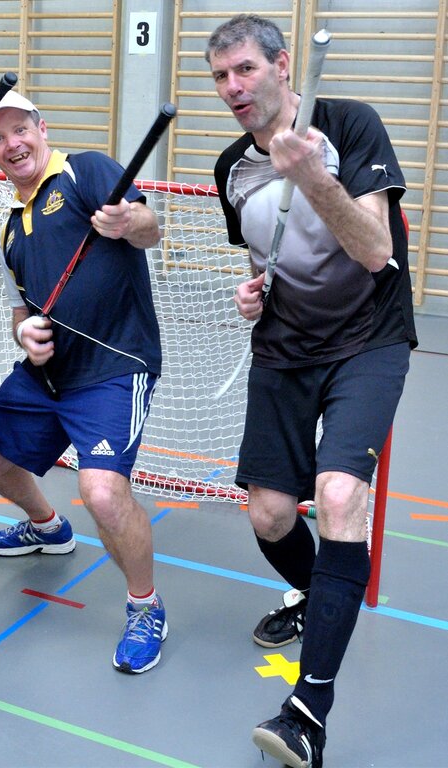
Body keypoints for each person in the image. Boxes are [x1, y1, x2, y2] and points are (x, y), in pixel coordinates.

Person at [206, 14, 417, 767]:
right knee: (266, 516)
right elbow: (271, 256)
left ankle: (308, 709)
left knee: (335, 499)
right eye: (221, 77)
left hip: (368, 341)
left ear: (280, 65)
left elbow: (372, 249)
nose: (232, 88)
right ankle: (325, 597)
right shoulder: (230, 167)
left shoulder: (348, 126)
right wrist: (252, 290)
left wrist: (309, 174)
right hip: (284, 349)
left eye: (243, 71)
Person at [0, 90, 167, 674]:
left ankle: (146, 606)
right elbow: (19, 308)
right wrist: (22, 335)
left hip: (112, 370)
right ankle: (48, 528)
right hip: (46, 377)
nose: (13, 144)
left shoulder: (86, 171)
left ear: (41, 128)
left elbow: (148, 228)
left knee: (104, 491)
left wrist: (128, 218)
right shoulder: (11, 229)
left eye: (20, 130)